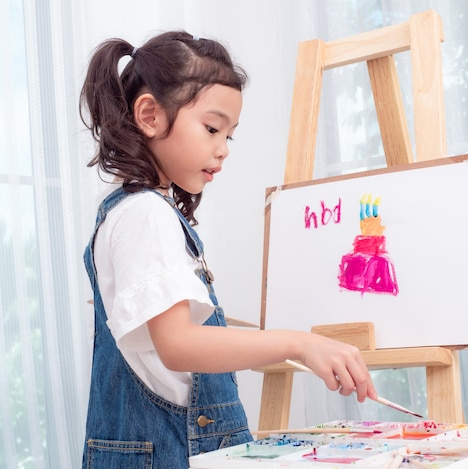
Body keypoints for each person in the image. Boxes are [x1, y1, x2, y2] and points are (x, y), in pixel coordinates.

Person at [79, 31, 377, 468]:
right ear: (149, 115)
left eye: (229, 137)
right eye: (212, 128)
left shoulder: (136, 210)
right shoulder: (145, 214)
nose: (222, 150)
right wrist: (299, 344)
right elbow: (178, 345)